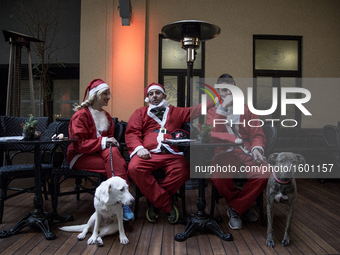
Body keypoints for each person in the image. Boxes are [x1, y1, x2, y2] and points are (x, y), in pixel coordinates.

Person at [125, 82, 214, 224]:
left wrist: (215, 100)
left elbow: (196, 110)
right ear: (147, 98)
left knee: (184, 169)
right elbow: (132, 134)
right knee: (134, 168)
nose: (154, 96)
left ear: (164, 95)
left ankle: (154, 202)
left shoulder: (176, 112)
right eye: (151, 94)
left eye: (157, 93)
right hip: (148, 153)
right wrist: (139, 148)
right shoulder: (140, 113)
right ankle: (166, 204)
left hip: (171, 153)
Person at [206, 73, 270, 230]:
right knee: (219, 177)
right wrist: (223, 108)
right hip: (224, 152)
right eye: (224, 90)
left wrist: (256, 149)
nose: (228, 93)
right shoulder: (213, 112)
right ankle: (242, 207)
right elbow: (214, 133)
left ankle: (235, 208)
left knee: (264, 172)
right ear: (218, 93)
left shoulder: (247, 109)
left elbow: (257, 134)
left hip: (246, 151)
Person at [67, 78, 134, 221]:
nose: (109, 97)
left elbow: (108, 141)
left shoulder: (106, 116)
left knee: (113, 154)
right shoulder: (80, 116)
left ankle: (114, 203)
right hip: (79, 156)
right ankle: (122, 204)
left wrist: (113, 142)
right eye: (105, 94)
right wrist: (105, 142)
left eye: (109, 94)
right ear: (95, 95)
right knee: (118, 164)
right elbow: (78, 145)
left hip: (100, 155)